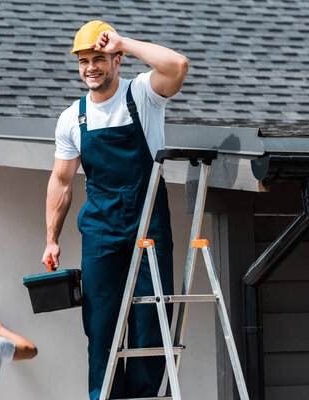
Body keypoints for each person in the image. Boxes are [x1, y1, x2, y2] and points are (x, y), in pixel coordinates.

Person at [42, 20, 188, 400]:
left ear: (117, 60)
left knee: (149, 322)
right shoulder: (71, 118)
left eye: (99, 58)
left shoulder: (141, 94)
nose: (91, 67)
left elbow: (178, 66)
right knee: (101, 324)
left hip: (148, 221)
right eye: (84, 60)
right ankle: (103, 396)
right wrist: (51, 239)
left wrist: (124, 41)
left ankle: (141, 396)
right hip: (101, 228)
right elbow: (61, 182)